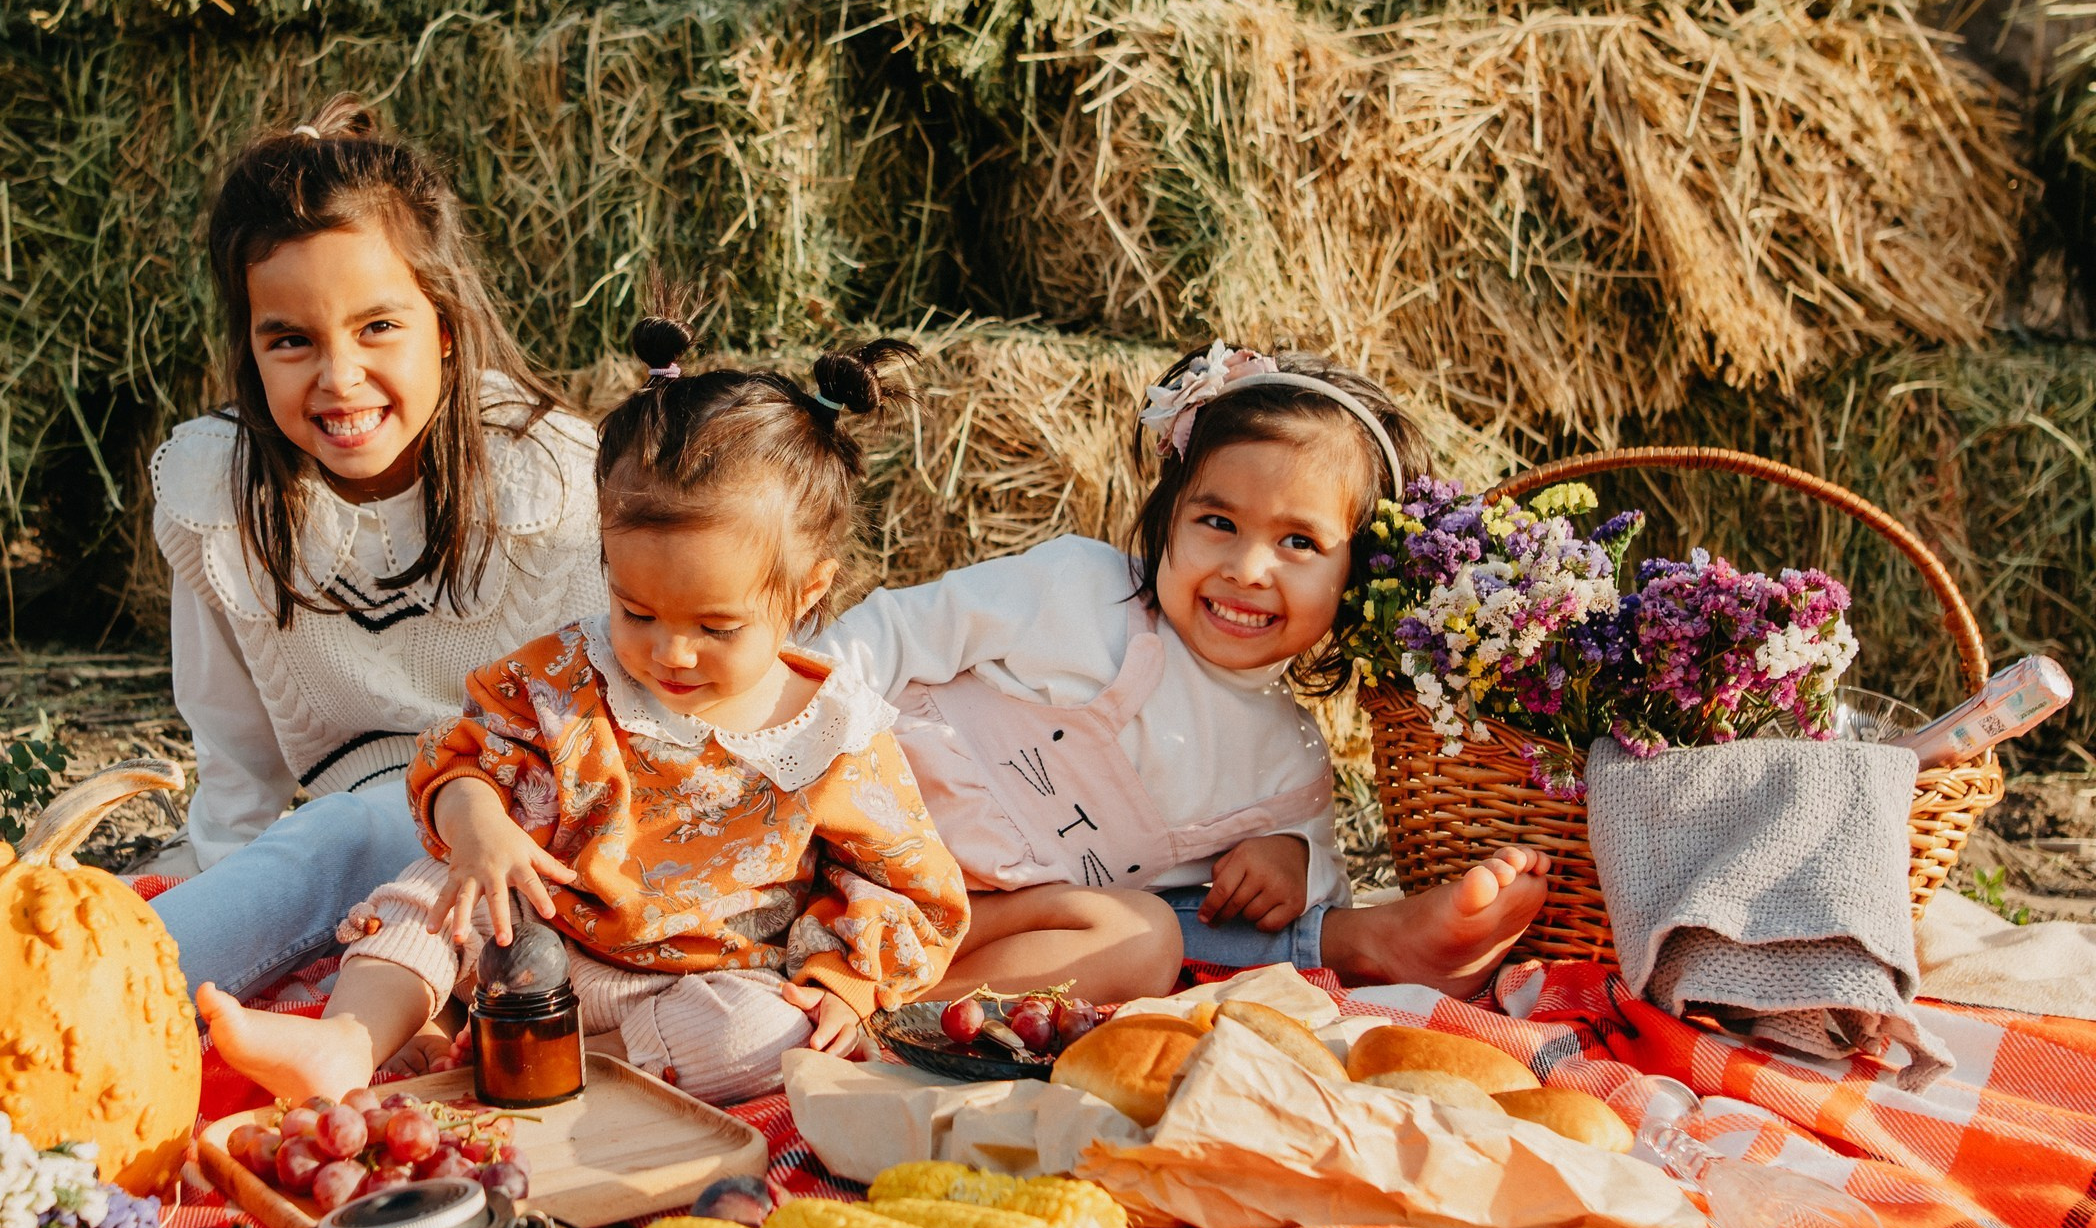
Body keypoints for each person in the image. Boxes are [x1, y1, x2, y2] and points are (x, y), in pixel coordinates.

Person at [196, 313, 972, 1104]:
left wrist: (846, 982)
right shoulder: (570, 676)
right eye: (637, 610)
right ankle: (348, 1038)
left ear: (806, 592)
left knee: (774, 1036)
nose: (670, 652)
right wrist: (479, 828)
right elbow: (464, 758)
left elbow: (907, 885)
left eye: (716, 627)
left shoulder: (835, 735)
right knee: (441, 882)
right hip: (534, 934)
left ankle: (536, 1059)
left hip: (691, 989)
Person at [822, 342, 1552, 1004]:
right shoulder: (1079, 592)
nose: (1247, 569)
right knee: (1155, 932)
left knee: (1149, 940)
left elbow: (1323, 877)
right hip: (846, 844)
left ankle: (896, 1006)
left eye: (1299, 541)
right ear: (1169, 516)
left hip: (974, 928)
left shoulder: (1286, 758)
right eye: (1218, 523)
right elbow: (894, 633)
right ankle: (1370, 948)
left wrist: (1292, 862)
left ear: (1354, 575)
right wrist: (784, 729)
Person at [142, 96, 606, 1022]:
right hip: (347, 823)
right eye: (291, 340)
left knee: (345, 842)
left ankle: (117, 989)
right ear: (249, 348)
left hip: (533, 833)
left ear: (443, 323)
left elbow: (607, 703)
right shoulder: (217, 494)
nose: (339, 375)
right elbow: (233, 748)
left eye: (377, 327)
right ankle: (124, 982)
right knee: (323, 843)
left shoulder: (541, 473)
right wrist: (238, 896)